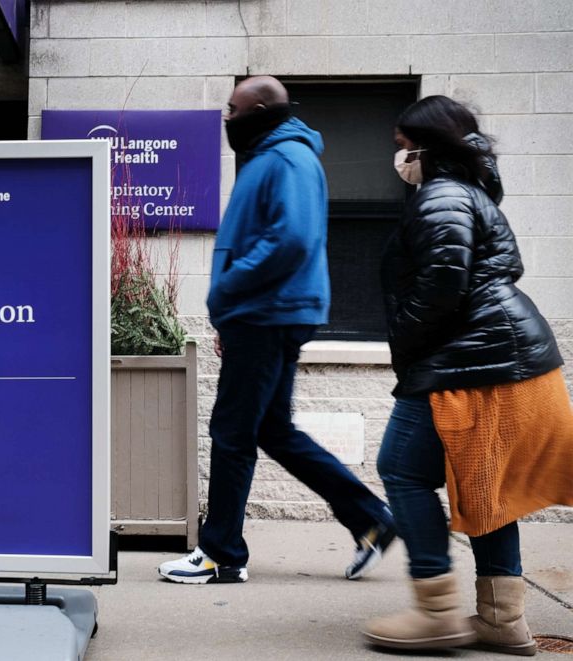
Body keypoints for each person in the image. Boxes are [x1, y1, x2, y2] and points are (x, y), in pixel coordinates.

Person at [158, 76, 396, 585]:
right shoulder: (272, 156)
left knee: (232, 433)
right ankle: (370, 518)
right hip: (263, 314)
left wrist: (228, 294)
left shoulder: (288, 158)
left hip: (267, 313)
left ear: (261, 109)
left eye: (233, 108)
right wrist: (231, 312)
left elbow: (289, 241)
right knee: (272, 430)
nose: (226, 118)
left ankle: (220, 553)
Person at [363, 95, 573, 653]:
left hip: (474, 362)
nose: (400, 158)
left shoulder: (443, 196)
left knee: (401, 469)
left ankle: (436, 613)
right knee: (488, 485)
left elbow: (440, 287)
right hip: (506, 358)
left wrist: (404, 341)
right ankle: (502, 621)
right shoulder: (470, 192)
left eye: (403, 148)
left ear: (426, 147)